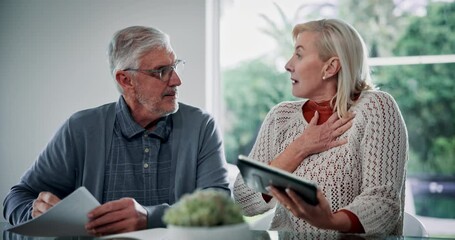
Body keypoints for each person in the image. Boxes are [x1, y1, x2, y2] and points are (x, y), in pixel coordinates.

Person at [3, 26, 230, 235]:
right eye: (161, 71)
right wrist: (36, 211)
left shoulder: (201, 126)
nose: (176, 80)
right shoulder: (81, 129)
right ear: (125, 80)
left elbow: (219, 205)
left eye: (175, 66)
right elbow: (16, 198)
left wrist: (150, 217)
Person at [234, 18, 408, 235]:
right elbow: (244, 200)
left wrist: (330, 221)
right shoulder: (280, 117)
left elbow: (383, 203)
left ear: (331, 66)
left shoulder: (377, 108)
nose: (288, 65)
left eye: (299, 54)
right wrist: (301, 147)